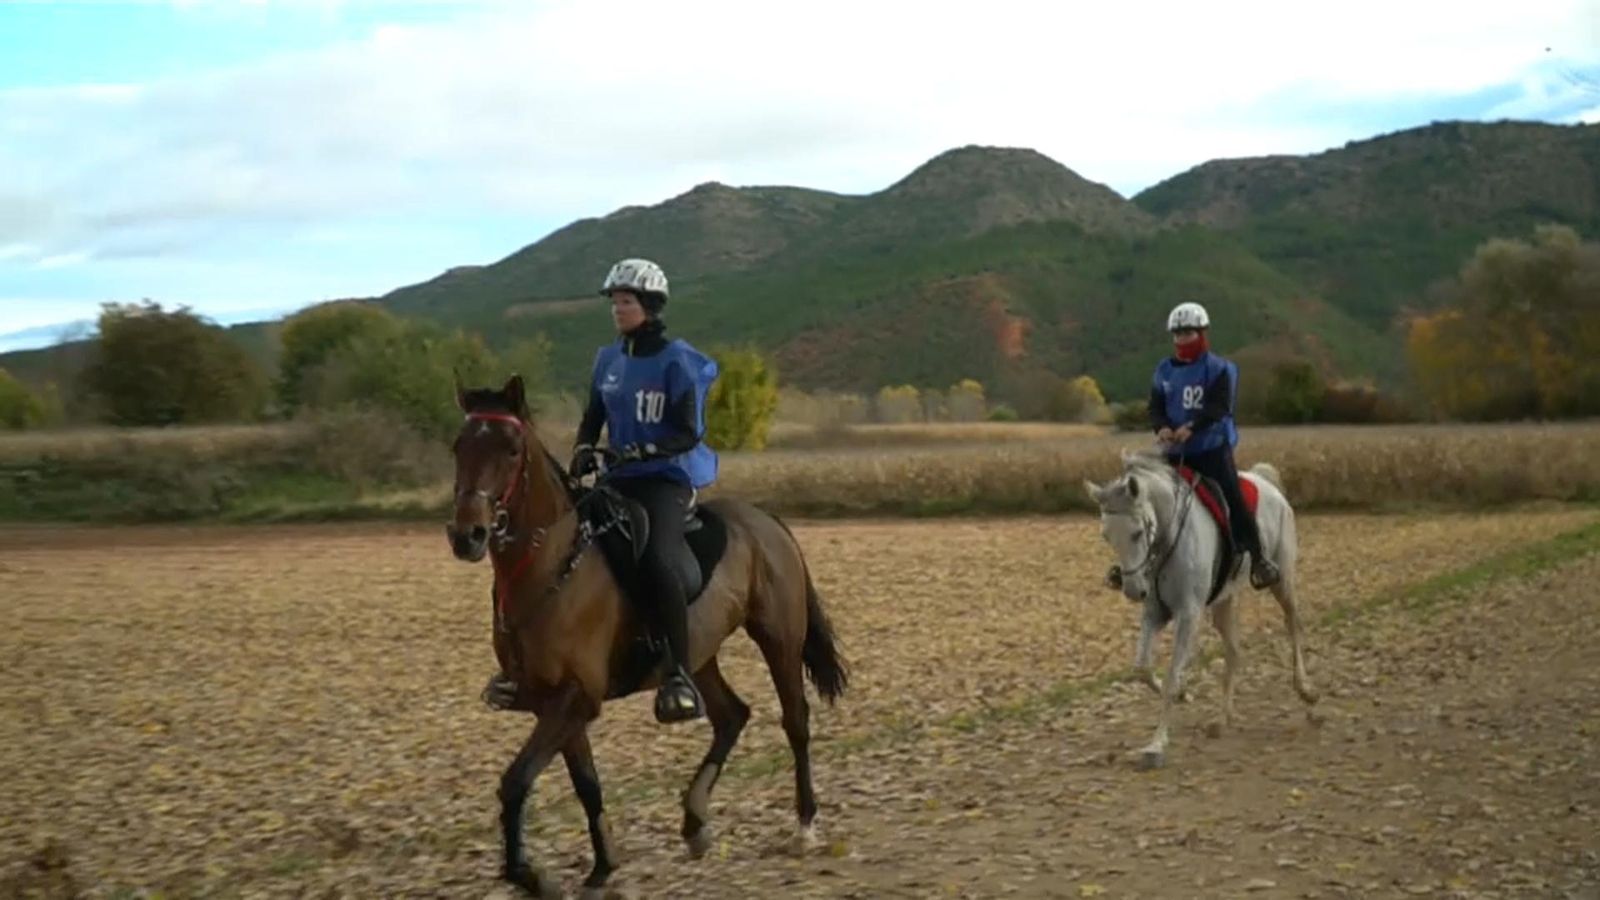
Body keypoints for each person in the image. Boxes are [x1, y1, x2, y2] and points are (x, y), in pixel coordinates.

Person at [570, 258, 720, 723]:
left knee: (656, 558)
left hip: (664, 479)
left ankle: (679, 675)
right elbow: (593, 416)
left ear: (650, 306)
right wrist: (582, 448)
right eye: (614, 302)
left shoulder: (679, 360)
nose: (617, 309)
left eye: (626, 301)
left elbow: (689, 431)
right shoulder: (607, 360)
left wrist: (645, 449)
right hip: (616, 478)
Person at [1108, 301, 1280, 592]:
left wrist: (1192, 427)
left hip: (1211, 449)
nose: (1181, 339)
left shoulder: (1220, 369)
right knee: (1143, 498)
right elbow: (1155, 407)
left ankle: (1259, 558)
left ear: (1201, 333)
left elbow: (1219, 407)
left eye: (1187, 333)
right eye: (1177, 334)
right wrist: (1162, 427)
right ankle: (1132, 564)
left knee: (1234, 497)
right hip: (1175, 452)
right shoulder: (1163, 371)